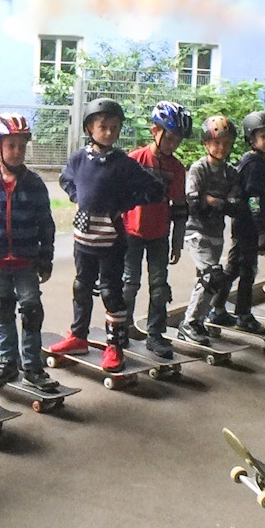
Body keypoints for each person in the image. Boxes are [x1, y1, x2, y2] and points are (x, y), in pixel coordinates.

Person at [50, 97, 165, 370]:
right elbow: (65, 178)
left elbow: (155, 189)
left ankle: (115, 344)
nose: (110, 132)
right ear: (90, 127)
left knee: (111, 293)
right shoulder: (79, 159)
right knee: (81, 287)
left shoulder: (123, 164)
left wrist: (125, 203)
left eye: (115, 127)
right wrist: (77, 196)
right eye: (103, 126)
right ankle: (78, 336)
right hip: (83, 238)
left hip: (111, 242)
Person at [0, 113, 57, 388]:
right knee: (4, 310)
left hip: (26, 262)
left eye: (21, 146)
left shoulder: (35, 184)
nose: (17, 152)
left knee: (31, 311)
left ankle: (32, 366)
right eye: (11, 146)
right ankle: (7, 362)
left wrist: (46, 259)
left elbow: (46, 224)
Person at [121, 101, 192, 359]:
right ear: (155, 130)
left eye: (178, 140)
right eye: (170, 137)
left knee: (159, 285)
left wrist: (178, 242)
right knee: (129, 284)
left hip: (159, 235)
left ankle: (155, 334)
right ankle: (121, 328)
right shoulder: (134, 160)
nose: (173, 144)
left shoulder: (177, 169)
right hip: (130, 232)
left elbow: (179, 208)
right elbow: (117, 200)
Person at [177, 114, 241, 341]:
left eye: (226, 143)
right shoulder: (199, 168)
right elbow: (193, 202)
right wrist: (214, 203)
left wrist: (215, 201)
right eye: (216, 143)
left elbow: (236, 203)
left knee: (211, 279)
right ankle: (190, 322)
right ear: (206, 144)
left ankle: (204, 318)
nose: (222, 148)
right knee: (210, 276)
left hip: (215, 233)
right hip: (196, 232)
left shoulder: (230, 172)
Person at [224, 109, 265, 331]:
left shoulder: (257, 161)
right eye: (263, 137)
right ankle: (243, 314)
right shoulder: (255, 164)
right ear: (251, 139)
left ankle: (217, 308)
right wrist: (261, 233)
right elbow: (254, 200)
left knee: (234, 268)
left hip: (245, 225)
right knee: (246, 271)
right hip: (248, 227)